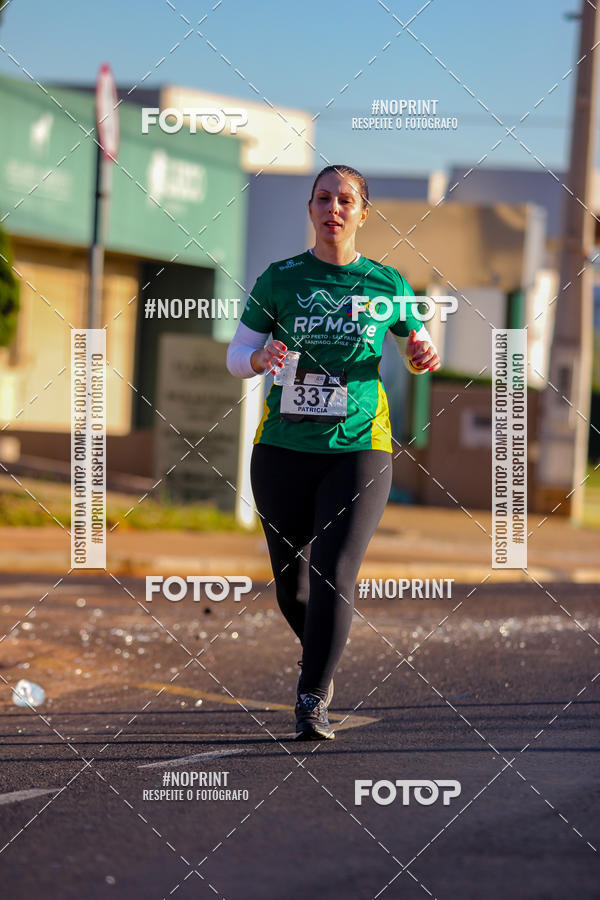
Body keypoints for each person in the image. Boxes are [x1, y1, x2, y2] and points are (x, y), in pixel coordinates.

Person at [226, 164, 441, 740]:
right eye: (323, 198)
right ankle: (323, 651)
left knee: (334, 572)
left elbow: (418, 337)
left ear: (363, 213)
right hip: (282, 448)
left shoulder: (387, 283)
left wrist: (421, 351)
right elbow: (236, 353)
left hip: (359, 448)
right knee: (292, 588)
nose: (334, 208)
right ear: (311, 209)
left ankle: (312, 696)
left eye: (346, 200)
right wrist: (258, 360)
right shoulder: (280, 278)